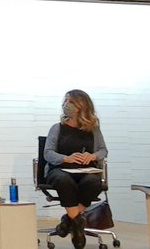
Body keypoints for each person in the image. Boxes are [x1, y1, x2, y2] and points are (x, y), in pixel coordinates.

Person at [42, 89, 108, 249]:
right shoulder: (57, 128)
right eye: (65, 101)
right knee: (64, 180)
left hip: (86, 170)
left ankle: (68, 221)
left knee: (94, 183)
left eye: (70, 101)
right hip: (60, 169)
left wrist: (92, 157)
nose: (66, 105)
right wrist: (66, 158)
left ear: (81, 105)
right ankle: (78, 227)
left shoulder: (93, 129)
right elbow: (48, 153)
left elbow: (103, 151)